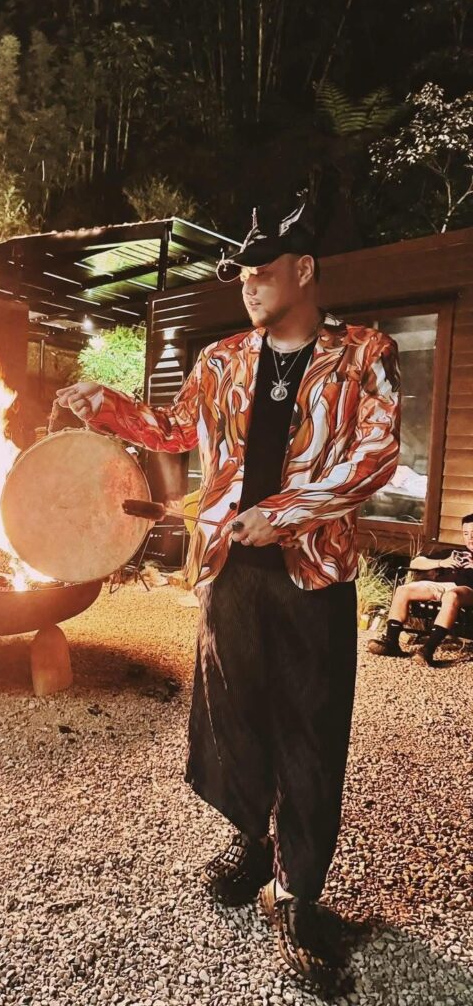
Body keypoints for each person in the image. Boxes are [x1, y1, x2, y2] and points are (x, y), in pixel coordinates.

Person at [56, 199, 401, 992]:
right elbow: (174, 430)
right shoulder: (220, 360)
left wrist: (279, 515)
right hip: (229, 572)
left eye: (264, 271)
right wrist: (105, 406)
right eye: (243, 273)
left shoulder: (362, 355)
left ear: (304, 271)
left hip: (312, 573)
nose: (249, 285)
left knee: (311, 734)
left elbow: (376, 457)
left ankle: (299, 897)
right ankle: (252, 842)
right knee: (231, 719)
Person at [368, 514, 473, 666]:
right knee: (404, 590)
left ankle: (427, 650)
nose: (469, 538)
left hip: (466, 590)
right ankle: (391, 643)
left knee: (452, 595)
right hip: (439, 586)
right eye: (465, 533)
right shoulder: (453, 553)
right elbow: (417, 561)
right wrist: (441, 562)